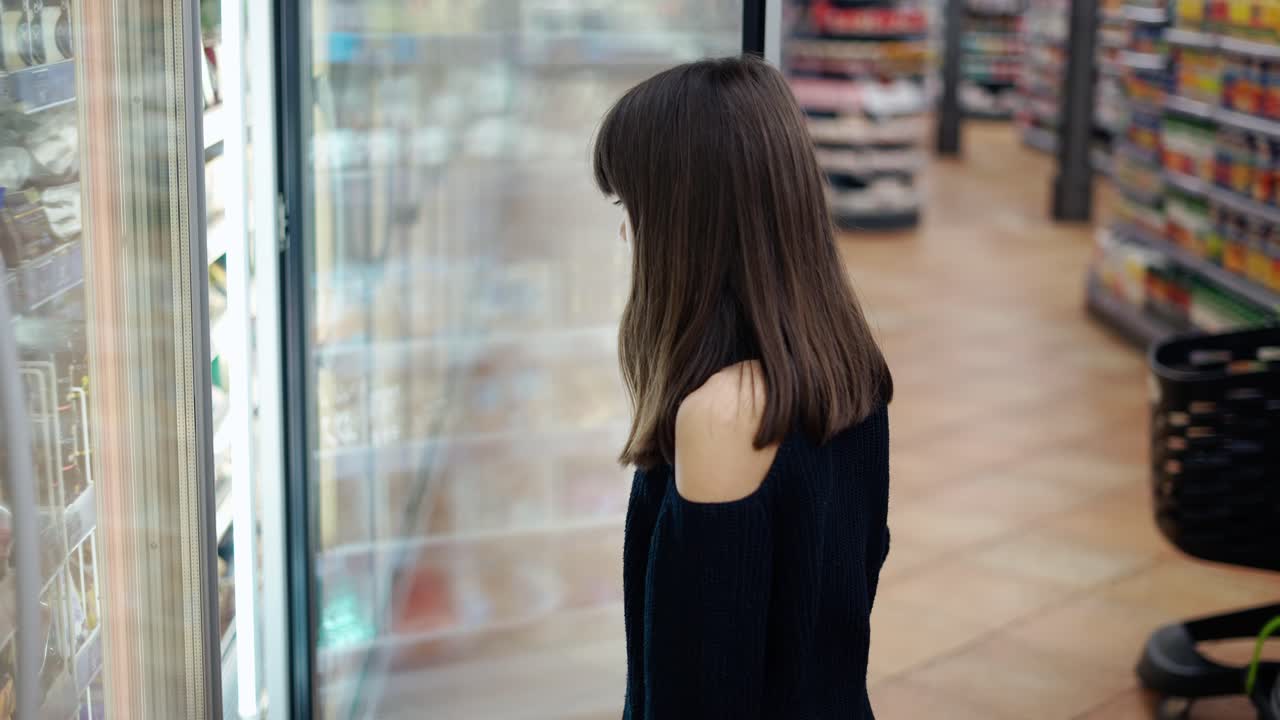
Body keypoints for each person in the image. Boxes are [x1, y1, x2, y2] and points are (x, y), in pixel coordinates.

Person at [593, 55, 894, 719]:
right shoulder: (845, 360)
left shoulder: (723, 415)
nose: (624, 229)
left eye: (630, 204)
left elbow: (697, 691)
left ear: (686, 220)